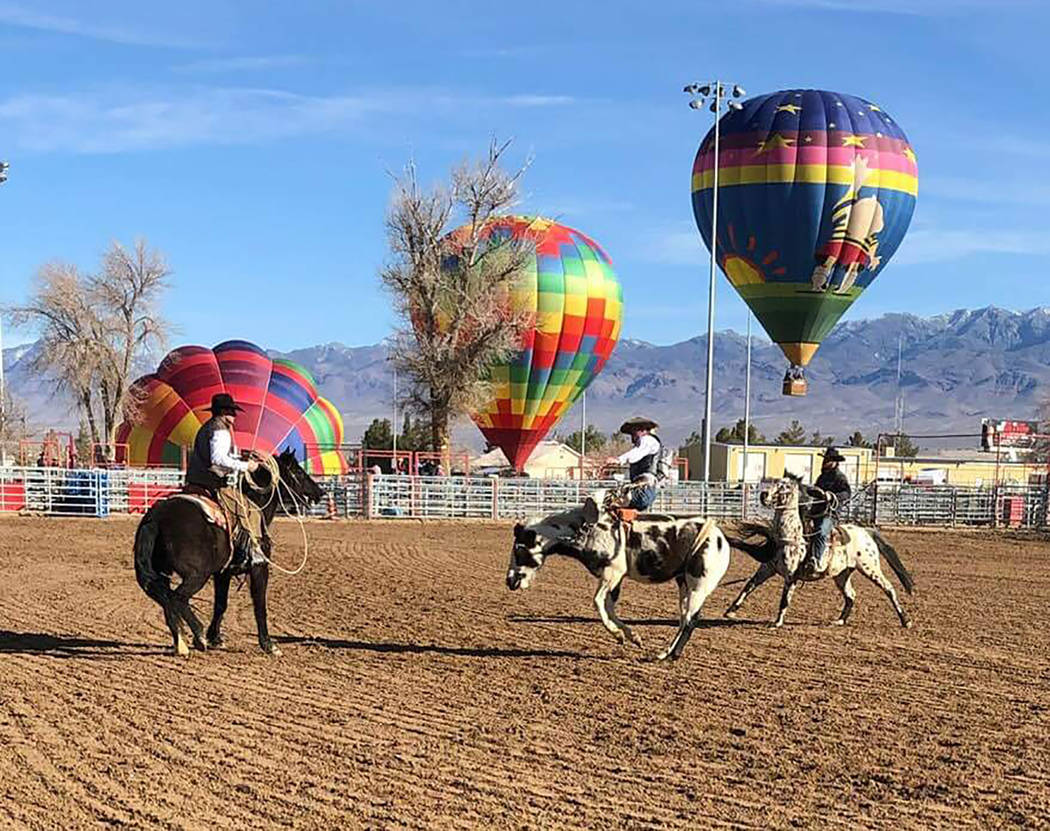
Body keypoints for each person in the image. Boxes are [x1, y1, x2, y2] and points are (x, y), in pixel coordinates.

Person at [184, 393, 265, 572]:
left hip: (195, 480)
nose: (234, 416)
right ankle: (252, 552)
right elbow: (218, 459)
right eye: (231, 412)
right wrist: (247, 466)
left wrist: (239, 458)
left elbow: (216, 455)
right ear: (224, 412)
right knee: (251, 511)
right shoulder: (221, 430)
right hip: (212, 483)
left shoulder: (207, 427)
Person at [803, 447, 852, 575]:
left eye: (828, 460)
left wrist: (832, 496)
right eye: (825, 459)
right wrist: (810, 490)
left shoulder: (839, 477)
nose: (825, 461)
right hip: (816, 511)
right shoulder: (822, 477)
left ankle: (816, 561)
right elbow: (816, 491)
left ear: (835, 462)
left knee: (821, 531)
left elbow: (847, 493)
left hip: (830, 514)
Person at [612, 416, 662, 511]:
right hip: (640, 488)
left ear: (642, 430)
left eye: (634, 431)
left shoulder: (648, 440)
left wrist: (619, 460)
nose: (632, 435)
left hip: (644, 489)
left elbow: (636, 454)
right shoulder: (645, 443)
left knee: (613, 504)